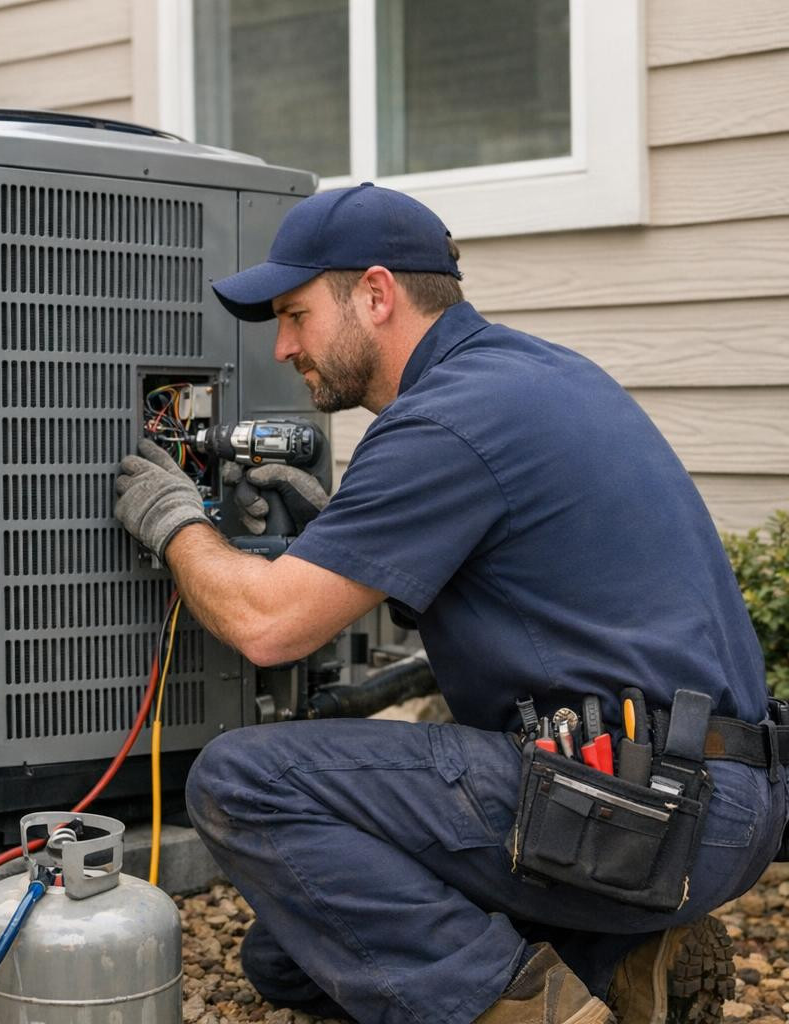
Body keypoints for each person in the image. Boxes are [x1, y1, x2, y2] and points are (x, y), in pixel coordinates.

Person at [112, 183, 784, 1024]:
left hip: (646, 811)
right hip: (707, 798)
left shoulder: (448, 420)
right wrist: (359, 546)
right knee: (290, 956)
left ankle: (529, 1008)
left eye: (296, 315)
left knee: (243, 782)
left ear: (377, 294)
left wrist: (177, 527)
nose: (284, 347)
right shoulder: (530, 374)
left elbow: (268, 625)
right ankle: (625, 953)